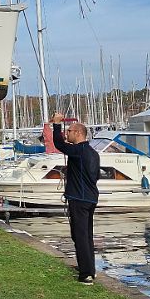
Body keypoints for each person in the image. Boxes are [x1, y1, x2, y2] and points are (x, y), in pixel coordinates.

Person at [50, 112, 100, 285]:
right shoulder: (93, 153)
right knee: (86, 235)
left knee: (80, 236)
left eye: (69, 131)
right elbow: (95, 176)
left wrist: (57, 124)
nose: (67, 134)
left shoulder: (79, 150)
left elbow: (59, 144)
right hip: (90, 198)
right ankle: (90, 269)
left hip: (79, 199)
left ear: (78, 133)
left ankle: (86, 274)